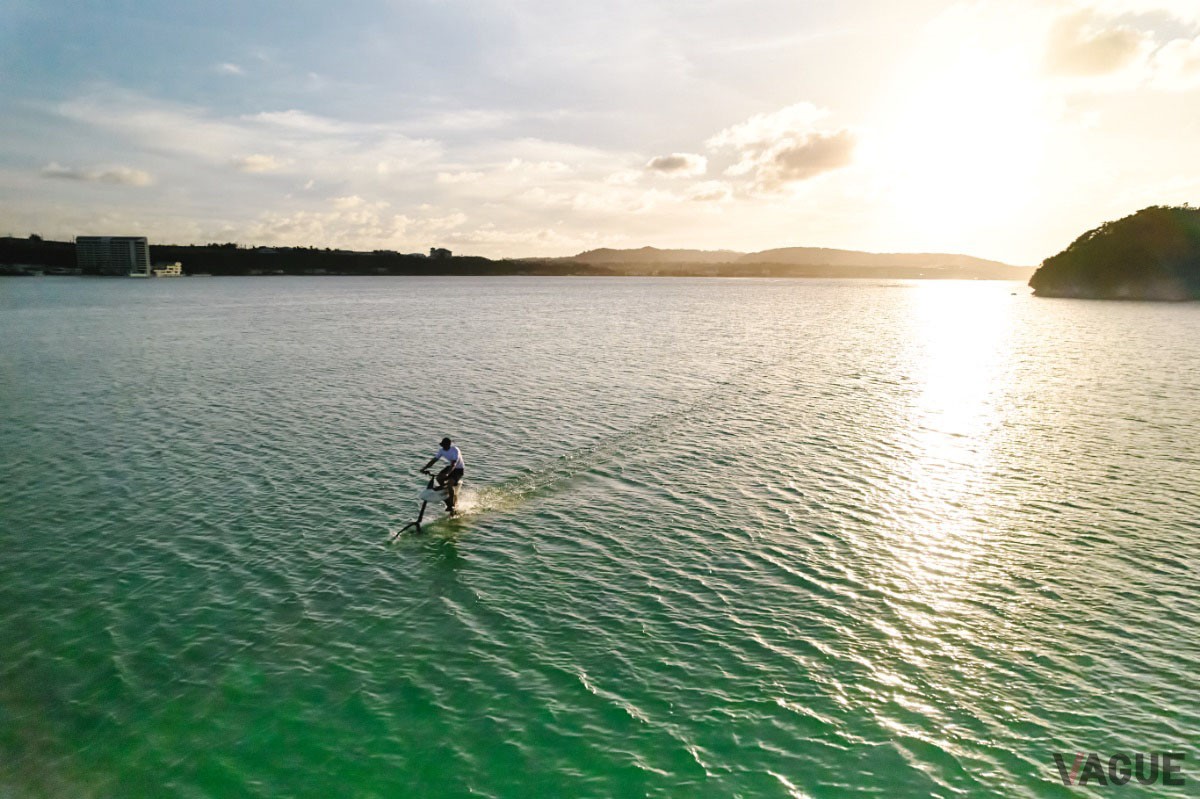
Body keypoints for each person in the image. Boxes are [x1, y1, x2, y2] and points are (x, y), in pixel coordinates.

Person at [421, 437, 465, 512]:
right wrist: (424, 468)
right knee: (438, 478)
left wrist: (447, 473)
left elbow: (454, 464)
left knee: (450, 483)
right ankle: (446, 490)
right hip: (450, 467)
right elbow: (434, 460)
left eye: (445, 445)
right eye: (442, 445)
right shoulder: (441, 450)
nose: (443, 447)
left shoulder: (455, 450)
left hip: (459, 469)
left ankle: (452, 504)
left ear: (448, 445)